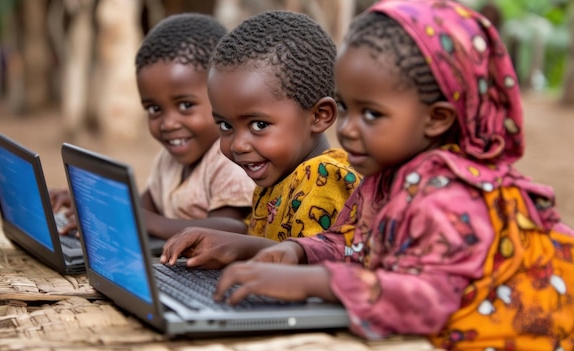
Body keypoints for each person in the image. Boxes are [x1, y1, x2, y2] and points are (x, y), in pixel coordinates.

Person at [162, 1, 574, 349]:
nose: (349, 128)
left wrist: (317, 281)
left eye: (372, 114)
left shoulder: (452, 199)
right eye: (348, 107)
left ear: (436, 119)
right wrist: (298, 252)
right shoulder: (386, 177)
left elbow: (429, 298)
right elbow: (350, 243)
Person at [51, 13, 256, 239]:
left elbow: (231, 229)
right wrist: (92, 203)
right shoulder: (168, 161)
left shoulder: (229, 161)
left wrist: (139, 219)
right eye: (154, 109)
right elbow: (142, 207)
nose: (168, 123)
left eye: (185, 105)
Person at [165, 10, 360, 246]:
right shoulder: (274, 180)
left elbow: (315, 260)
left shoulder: (325, 176)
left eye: (259, 125)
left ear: (319, 116)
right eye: (226, 125)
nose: (238, 144)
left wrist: (239, 248)